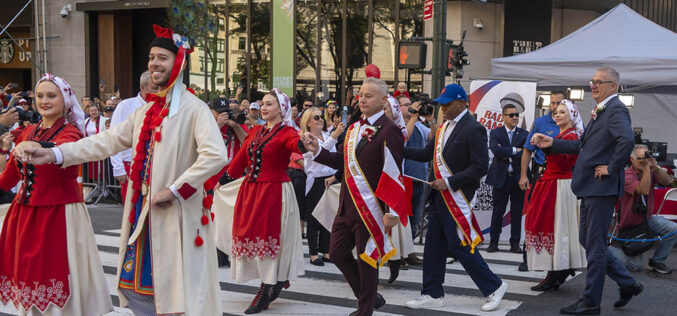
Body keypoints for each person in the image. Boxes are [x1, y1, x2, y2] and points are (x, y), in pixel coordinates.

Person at [17, 25, 226, 315]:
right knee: (137, 285)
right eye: (152, 57)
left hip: (176, 214)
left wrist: (176, 190)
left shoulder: (194, 109)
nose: (154, 63)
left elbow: (216, 155)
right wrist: (53, 153)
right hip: (142, 212)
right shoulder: (145, 111)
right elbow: (106, 141)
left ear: (179, 62)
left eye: (162, 57)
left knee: (180, 288)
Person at [531, 67, 642, 315]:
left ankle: (591, 301)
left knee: (594, 245)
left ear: (613, 86)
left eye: (599, 82)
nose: (593, 85)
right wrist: (554, 143)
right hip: (592, 187)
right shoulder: (602, 109)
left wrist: (612, 168)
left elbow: (626, 140)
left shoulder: (615, 109)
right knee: (588, 241)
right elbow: (584, 145)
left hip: (601, 187)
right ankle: (628, 283)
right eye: (592, 81)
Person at [1, 74, 113, 315]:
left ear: (64, 100)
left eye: (51, 95)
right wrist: (10, 148)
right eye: (40, 95)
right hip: (24, 217)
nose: (44, 100)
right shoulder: (28, 132)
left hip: (58, 216)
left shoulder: (70, 132)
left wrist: (39, 148)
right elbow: (8, 179)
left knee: (56, 276)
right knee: (30, 281)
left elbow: (65, 148)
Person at [300, 77, 405, 316]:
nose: (363, 99)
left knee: (367, 259)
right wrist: (316, 150)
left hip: (372, 206)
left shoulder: (390, 131)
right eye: (361, 94)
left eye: (369, 95)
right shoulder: (355, 126)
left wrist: (392, 211)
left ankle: (364, 309)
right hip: (347, 204)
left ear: (383, 100)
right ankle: (369, 297)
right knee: (337, 253)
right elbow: (341, 161)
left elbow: (394, 172)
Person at [403, 83, 507, 312]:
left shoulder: (474, 128)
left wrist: (449, 181)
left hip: (457, 197)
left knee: (460, 245)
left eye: (448, 104)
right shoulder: (441, 128)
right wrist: (396, 149)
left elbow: (480, 167)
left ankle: (495, 287)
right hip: (438, 198)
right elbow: (424, 154)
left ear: (462, 102)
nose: (444, 109)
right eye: (441, 105)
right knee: (433, 247)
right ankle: (432, 292)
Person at [217, 88, 305, 314]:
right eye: (263, 104)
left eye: (269, 104)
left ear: (281, 109)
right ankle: (274, 280)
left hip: (274, 192)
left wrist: (306, 143)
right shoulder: (256, 132)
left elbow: (297, 145)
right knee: (250, 235)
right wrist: (223, 181)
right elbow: (240, 159)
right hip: (252, 192)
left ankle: (266, 288)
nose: (264, 108)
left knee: (270, 238)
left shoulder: (287, 132)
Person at [524, 100, 586, 291]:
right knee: (557, 229)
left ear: (572, 116)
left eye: (562, 112)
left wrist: (547, 143)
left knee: (557, 229)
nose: (558, 115)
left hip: (559, 186)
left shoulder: (571, 136)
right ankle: (556, 271)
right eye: (556, 112)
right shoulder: (564, 135)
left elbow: (566, 155)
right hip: (553, 184)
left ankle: (555, 272)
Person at [609, 144, 675, 273]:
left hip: (647, 219)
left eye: (646, 156)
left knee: (673, 230)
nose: (644, 160)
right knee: (635, 267)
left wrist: (655, 167)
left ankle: (657, 261)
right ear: (632, 159)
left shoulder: (649, 171)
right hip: (631, 226)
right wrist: (646, 168)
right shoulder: (626, 175)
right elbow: (643, 190)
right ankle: (605, 250)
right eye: (640, 158)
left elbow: (667, 182)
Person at [517, 90, 564, 271]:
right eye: (552, 103)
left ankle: (560, 261)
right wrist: (523, 175)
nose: (555, 107)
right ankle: (527, 257)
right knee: (534, 216)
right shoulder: (540, 122)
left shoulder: (572, 121)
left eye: (559, 103)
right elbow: (527, 150)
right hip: (542, 175)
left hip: (563, 176)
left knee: (561, 218)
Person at [300, 108, 344, 266]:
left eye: (321, 117)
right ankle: (313, 253)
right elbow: (320, 152)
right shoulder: (305, 137)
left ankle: (325, 250)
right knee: (314, 218)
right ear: (308, 122)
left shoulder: (326, 135)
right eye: (316, 117)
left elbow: (333, 155)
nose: (320, 120)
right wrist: (335, 135)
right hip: (316, 180)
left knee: (329, 216)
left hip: (330, 179)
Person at [110, 71, 159, 201]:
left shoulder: (160, 105)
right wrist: (118, 168)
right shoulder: (126, 106)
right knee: (131, 207)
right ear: (143, 87)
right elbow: (114, 137)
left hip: (154, 165)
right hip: (130, 165)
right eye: (154, 88)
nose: (157, 91)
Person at [486, 104, 528, 253]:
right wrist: (514, 150)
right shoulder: (496, 133)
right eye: (511, 115)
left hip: (518, 178)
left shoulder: (524, 134)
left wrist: (508, 151)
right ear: (504, 117)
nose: (515, 117)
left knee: (517, 212)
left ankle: (515, 244)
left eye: (517, 114)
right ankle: (493, 242)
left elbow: (525, 153)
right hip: (500, 178)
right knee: (498, 211)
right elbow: (496, 150)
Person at [399, 96, 431, 241]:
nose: (410, 107)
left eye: (410, 104)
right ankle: (400, 255)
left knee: (415, 221)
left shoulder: (419, 125)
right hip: (404, 180)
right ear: (398, 108)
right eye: (406, 105)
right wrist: (413, 117)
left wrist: (432, 120)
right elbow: (405, 136)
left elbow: (432, 136)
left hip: (420, 180)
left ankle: (409, 252)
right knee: (402, 220)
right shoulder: (396, 125)